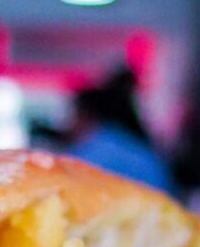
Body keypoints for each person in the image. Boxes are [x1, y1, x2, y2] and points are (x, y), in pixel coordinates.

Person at [35, 68, 173, 194]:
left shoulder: (97, 151)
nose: (68, 123)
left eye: (72, 115)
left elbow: (62, 187)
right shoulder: (127, 142)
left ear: (85, 116)